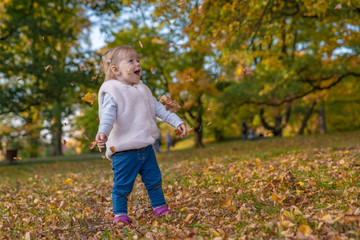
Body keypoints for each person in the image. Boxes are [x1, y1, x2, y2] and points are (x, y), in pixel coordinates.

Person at [95, 45, 187, 225]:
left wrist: (177, 121)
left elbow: (159, 108)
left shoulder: (142, 89)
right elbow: (107, 115)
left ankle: (160, 208)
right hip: (124, 151)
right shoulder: (113, 91)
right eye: (131, 61)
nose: (137, 63)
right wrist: (102, 132)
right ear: (115, 70)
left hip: (146, 148)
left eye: (137, 60)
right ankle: (120, 214)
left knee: (154, 180)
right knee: (122, 186)